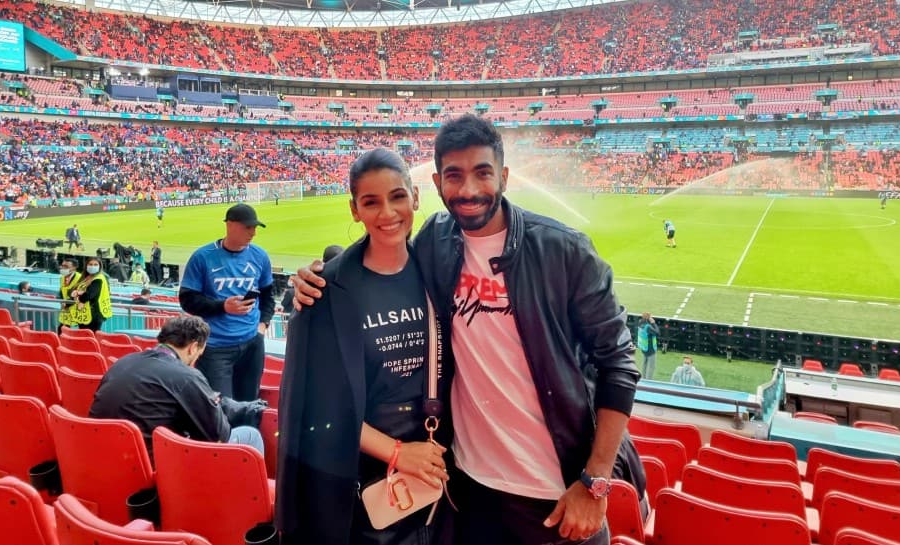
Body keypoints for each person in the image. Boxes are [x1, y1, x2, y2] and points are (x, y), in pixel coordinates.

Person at [293, 115, 645, 545]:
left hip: (556, 496)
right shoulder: (435, 241)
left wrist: (595, 483)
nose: (469, 190)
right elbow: (381, 245)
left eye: (483, 173)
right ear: (438, 184)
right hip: (470, 493)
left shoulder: (563, 250)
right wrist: (319, 278)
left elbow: (619, 365)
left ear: (505, 176)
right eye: (455, 177)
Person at [277, 149, 452, 545]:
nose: (387, 212)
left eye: (398, 197)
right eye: (371, 202)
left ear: (416, 198)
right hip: (359, 480)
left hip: (439, 469)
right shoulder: (325, 291)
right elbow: (318, 408)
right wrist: (396, 452)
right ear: (354, 210)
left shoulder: (440, 274)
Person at [89, 315, 266, 460]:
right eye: (199, 353)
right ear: (193, 347)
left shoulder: (122, 362)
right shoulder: (186, 376)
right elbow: (219, 436)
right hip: (153, 468)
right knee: (251, 435)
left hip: (103, 456)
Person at [179, 203, 275, 401]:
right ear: (230, 225)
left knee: (249, 404)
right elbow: (187, 300)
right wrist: (223, 306)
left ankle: (248, 433)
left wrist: (262, 326)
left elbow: (268, 296)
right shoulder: (203, 257)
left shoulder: (260, 256)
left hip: (252, 344)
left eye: (255, 228)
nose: (253, 233)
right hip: (216, 348)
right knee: (222, 407)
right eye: (248, 227)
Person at [70, 257, 113, 332]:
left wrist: (80, 296)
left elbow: (90, 294)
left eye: (95, 264)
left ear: (100, 266)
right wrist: (77, 292)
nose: (93, 266)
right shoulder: (86, 277)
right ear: (86, 265)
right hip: (85, 313)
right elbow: (74, 290)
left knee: (90, 337)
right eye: (90, 264)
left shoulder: (99, 278)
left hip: (94, 313)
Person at [57, 258, 83, 334]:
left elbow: (79, 294)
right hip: (65, 310)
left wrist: (66, 304)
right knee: (61, 331)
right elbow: (61, 291)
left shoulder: (80, 278)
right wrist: (62, 301)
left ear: (74, 268)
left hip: (77, 310)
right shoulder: (62, 278)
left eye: (66, 266)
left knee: (74, 333)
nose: (63, 268)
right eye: (62, 266)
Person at [637, 312, 660, 380]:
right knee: (651, 367)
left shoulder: (640, 322)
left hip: (644, 347)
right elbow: (658, 333)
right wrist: (653, 323)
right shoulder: (648, 326)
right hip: (650, 348)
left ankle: (643, 379)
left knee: (644, 364)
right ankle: (648, 381)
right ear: (648, 318)